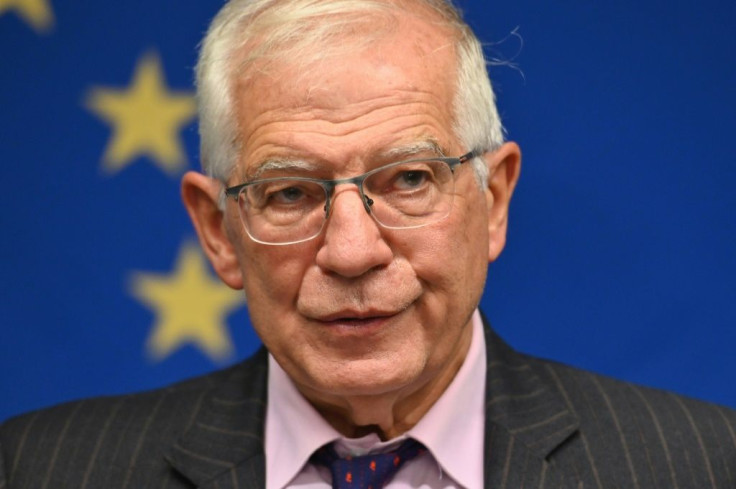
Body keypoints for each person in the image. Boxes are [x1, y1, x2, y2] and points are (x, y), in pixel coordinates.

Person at [1, 0, 734, 487]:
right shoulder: (41, 469)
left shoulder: (700, 463)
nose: (352, 253)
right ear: (219, 231)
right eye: (288, 191)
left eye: (410, 177)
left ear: (494, 198)